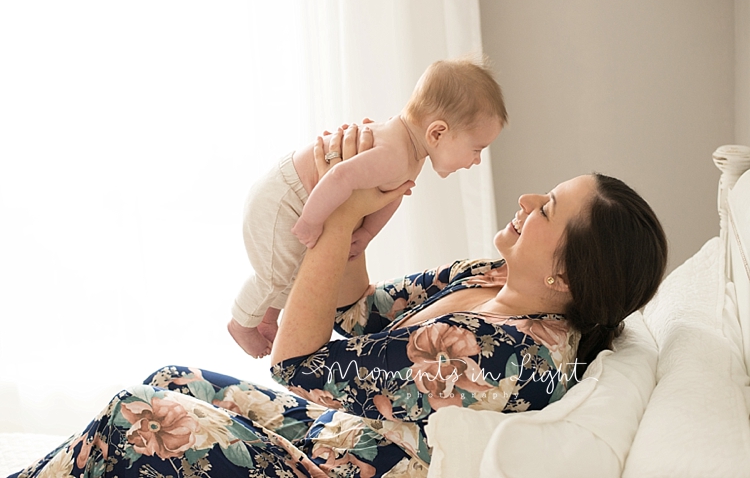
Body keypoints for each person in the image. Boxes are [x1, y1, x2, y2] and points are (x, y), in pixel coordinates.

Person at [11, 127, 667, 478]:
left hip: (356, 471)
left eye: (547, 208)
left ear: (565, 275)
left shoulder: (495, 354)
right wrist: (361, 212)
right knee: (168, 381)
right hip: (346, 437)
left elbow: (298, 363)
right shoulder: (491, 274)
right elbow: (359, 316)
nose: (527, 201)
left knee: (139, 415)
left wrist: (336, 213)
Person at [228, 57, 508, 358]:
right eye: (476, 149)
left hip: (305, 197)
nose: (476, 160)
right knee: (274, 274)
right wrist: (310, 221)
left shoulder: (411, 155)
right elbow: (340, 176)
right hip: (284, 199)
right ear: (437, 133)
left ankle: (267, 316)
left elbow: (391, 195)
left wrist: (366, 234)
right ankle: (241, 322)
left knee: (294, 271)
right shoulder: (394, 153)